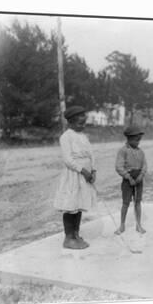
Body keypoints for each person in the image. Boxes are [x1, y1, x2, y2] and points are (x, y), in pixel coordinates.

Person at [53, 106, 97, 249]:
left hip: (85, 175)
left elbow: (91, 154)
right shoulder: (66, 137)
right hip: (73, 175)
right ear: (70, 123)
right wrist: (83, 170)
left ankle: (76, 234)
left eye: (84, 123)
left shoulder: (83, 136)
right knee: (70, 206)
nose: (83, 126)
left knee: (79, 205)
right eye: (79, 123)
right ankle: (68, 237)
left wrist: (93, 170)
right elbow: (67, 159)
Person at [114, 125, 148, 235]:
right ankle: (122, 225)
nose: (138, 142)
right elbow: (119, 167)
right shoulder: (123, 151)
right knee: (125, 203)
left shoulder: (141, 152)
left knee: (137, 202)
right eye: (136, 140)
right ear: (129, 139)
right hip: (127, 179)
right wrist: (128, 177)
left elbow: (145, 165)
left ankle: (138, 225)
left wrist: (140, 176)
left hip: (138, 179)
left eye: (139, 140)